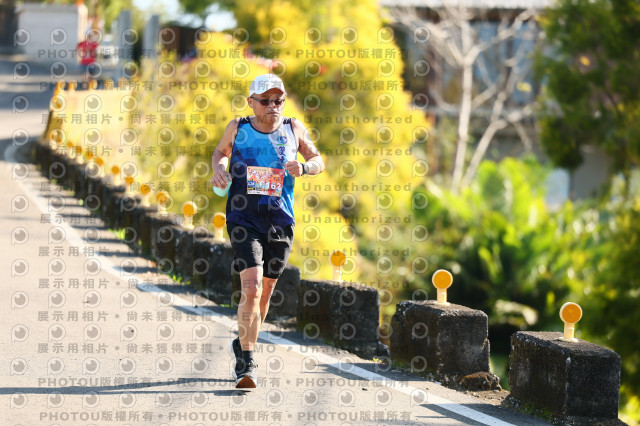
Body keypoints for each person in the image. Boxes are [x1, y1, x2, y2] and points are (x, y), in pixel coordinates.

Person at [210, 74, 325, 388]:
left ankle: (242, 343)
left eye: (278, 100)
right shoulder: (238, 127)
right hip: (243, 218)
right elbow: (219, 153)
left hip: (280, 222)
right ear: (251, 102)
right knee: (252, 287)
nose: (273, 106)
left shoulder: (293, 128)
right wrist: (218, 168)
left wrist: (305, 167)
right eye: (265, 100)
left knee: (265, 294)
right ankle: (246, 363)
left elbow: (317, 159)